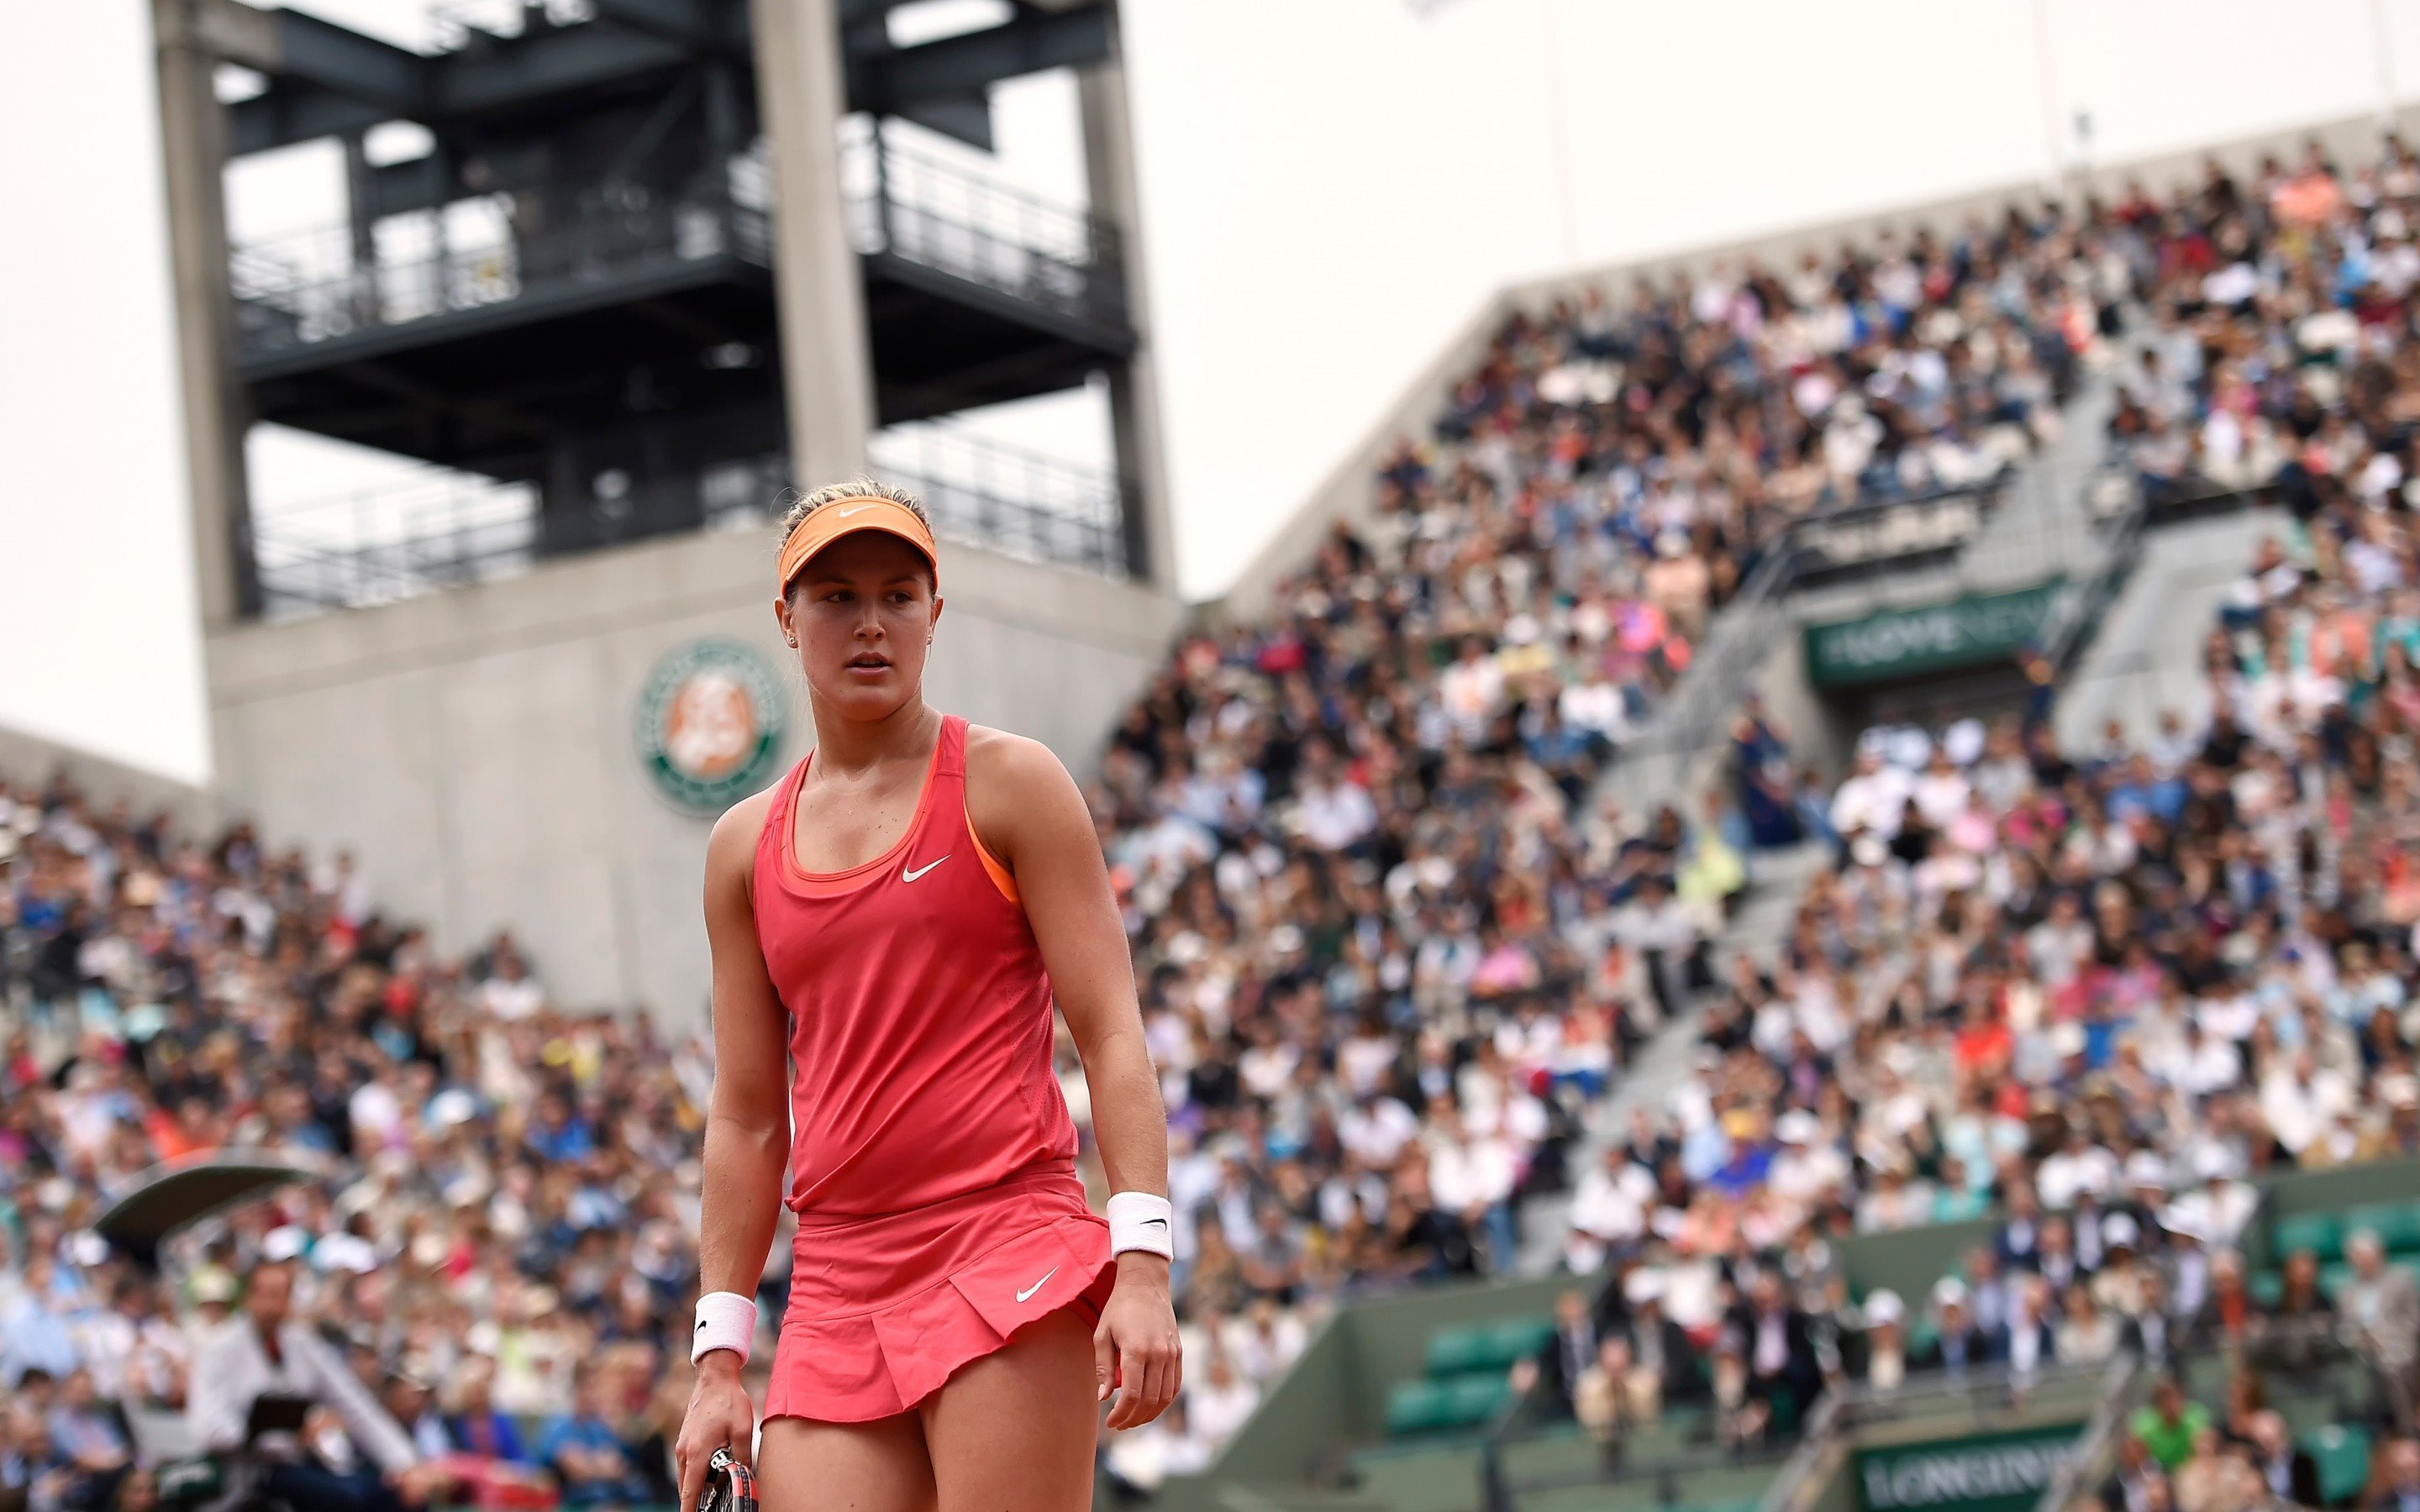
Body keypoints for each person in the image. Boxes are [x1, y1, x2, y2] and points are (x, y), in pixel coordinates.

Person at [675, 481, 1181, 1512]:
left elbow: (1113, 1034)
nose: (870, 622)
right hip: (835, 1285)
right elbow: (745, 1115)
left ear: (934, 616)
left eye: (899, 595)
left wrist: (1143, 1260)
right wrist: (717, 1360)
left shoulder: (1012, 784)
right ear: (785, 619)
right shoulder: (742, 848)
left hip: (1006, 1244)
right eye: (835, 597)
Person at [185, 1262, 437, 1512]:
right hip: (246, 1474)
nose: (272, 1306)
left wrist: (404, 1464)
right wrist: (285, 1435)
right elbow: (210, 1428)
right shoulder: (218, 1349)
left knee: (395, 1496)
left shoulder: (301, 1342)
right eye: (265, 1295)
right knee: (344, 1499)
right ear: (249, 1296)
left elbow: (356, 1404)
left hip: (302, 1464)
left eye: (281, 1296)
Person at [2340, 1230, 2420, 1431]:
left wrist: (2387, 1339)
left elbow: (2413, 1320)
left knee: (2393, 1365)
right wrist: (2359, 1339)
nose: (2363, 1261)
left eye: (2368, 1255)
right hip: (2363, 1352)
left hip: (2399, 1347)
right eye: (2358, 1257)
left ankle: (2407, 1429)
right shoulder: (2346, 1293)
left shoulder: (2401, 1281)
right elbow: (2346, 1328)